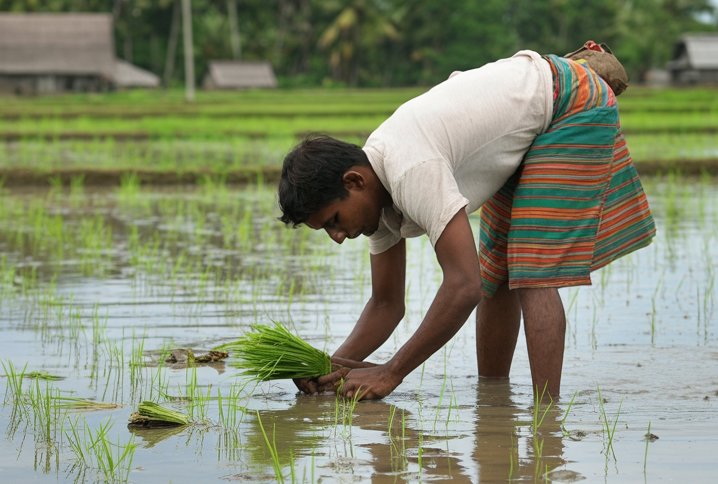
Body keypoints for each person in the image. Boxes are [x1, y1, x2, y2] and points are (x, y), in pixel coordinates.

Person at [277, 45, 655, 401]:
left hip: (569, 104)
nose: (339, 237)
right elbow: (386, 303)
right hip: (533, 115)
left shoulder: (409, 169)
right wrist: (328, 368)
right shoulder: (375, 197)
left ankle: (547, 420)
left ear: (354, 181)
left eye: (334, 222)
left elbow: (463, 286)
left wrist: (391, 372)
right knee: (497, 272)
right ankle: (495, 402)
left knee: (532, 269)